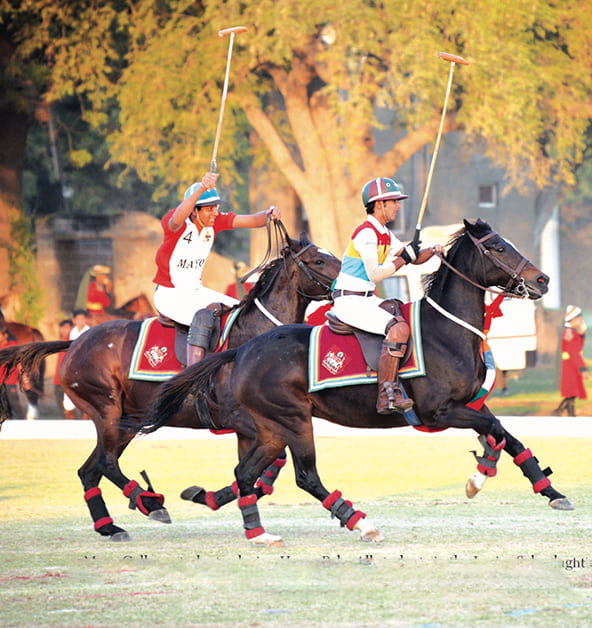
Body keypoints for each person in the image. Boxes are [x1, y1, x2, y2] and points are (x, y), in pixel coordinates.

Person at [330, 177, 444, 414]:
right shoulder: (366, 234)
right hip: (349, 300)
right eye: (394, 202)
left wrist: (431, 251)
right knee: (398, 329)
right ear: (379, 204)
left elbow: (411, 257)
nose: (398, 206)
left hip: (366, 298)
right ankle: (386, 395)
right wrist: (405, 257)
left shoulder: (384, 233)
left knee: (404, 314)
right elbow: (376, 274)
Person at [153, 171, 281, 366]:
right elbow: (177, 218)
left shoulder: (214, 222)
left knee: (242, 312)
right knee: (204, 317)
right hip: (170, 296)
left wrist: (269, 214)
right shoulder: (175, 222)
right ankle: (193, 377)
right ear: (194, 211)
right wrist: (202, 188)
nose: (215, 213)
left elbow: (252, 220)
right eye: (209, 209)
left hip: (196, 292)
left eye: (216, 208)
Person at [552, 304, 588, 417]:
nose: (581, 320)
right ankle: (561, 413)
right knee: (571, 392)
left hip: (572, 365)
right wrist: (583, 369)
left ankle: (567, 413)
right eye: (579, 318)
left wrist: (581, 334)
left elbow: (578, 347)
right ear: (573, 319)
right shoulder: (570, 333)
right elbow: (574, 352)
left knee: (572, 393)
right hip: (571, 366)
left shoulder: (572, 331)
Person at [63, 309, 91, 419]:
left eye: (83, 319)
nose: (81, 321)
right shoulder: (71, 332)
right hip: (72, 367)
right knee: (68, 397)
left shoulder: (90, 332)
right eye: (78, 319)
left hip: (85, 367)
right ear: (74, 320)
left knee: (86, 395)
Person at [0, 323, 25, 419]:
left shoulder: (12, 346)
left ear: (5, 335)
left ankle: (23, 426)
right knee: (3, 408)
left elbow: (19, 362)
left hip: (9, 381)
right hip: (0, 382)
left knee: (15, 405)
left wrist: (23, 376)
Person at [53, 318, 74, 419]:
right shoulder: (60, 342)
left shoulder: (73, 342)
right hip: (57, 379)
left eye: (67, 328)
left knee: (70, 406)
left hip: (67, 379)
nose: (65, 330)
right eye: (63, 328)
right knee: (59, 403)